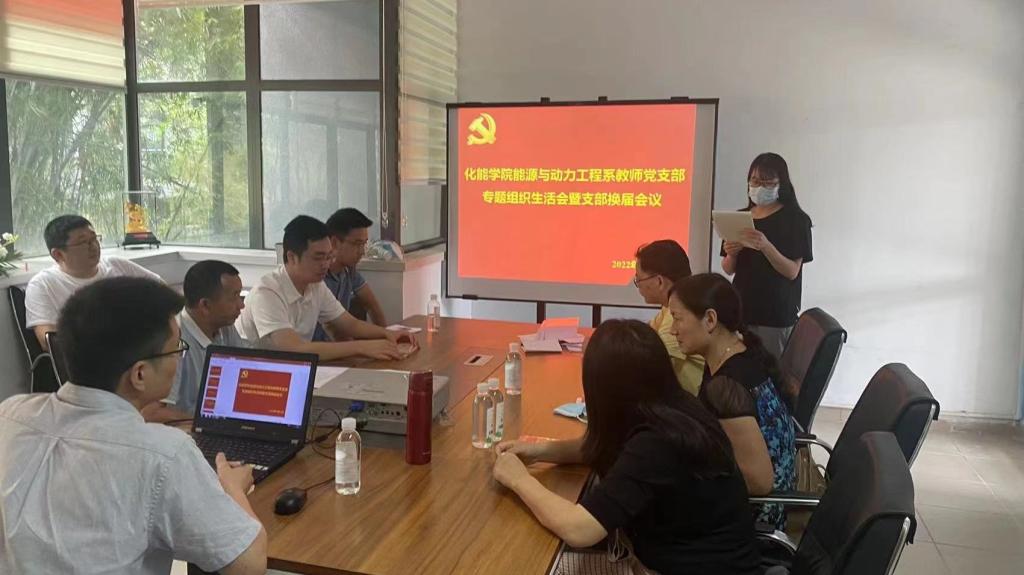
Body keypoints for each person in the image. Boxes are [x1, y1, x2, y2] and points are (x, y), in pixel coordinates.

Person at [0, 277, 267, 574]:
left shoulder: (10, 415)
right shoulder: (163, 452)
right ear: (140, 374)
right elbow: (248, 565)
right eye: (176, 349)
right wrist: (232, 487)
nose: (179, 359)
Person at [493, 320, 762, 575]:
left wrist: (519, 480)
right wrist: (541, 451)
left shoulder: (656, 444)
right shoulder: (673, 407)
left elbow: (579, 529)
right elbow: (605, 447)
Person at [668, 272, 796, 530]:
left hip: (752, 524)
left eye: (678, 318)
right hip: (752, 508)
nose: (672, 329)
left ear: (710, 319)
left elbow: (759, 482)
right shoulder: (739, 353)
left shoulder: (726, 386)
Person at [236, 215, 414, 361]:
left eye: (329, 257)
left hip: (295, 369)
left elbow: (349, 324)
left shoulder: (316, 285)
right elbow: (293, 349)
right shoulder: (267, 292)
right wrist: (362, 347)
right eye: (318, 257)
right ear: (291, 257)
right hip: (256, 376)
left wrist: (387, 334)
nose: (325, 265)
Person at [721, 153, 813, 358]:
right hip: (741, 311)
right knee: (740, 369)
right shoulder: (739, 218)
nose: (759, 187)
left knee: (771, 370)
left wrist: (765, 246)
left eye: (767, 182)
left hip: (775, 316)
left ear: (781, 184)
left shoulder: (796, 220)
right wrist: (731, 255)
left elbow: (792, 271)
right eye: (755, 181)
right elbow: (728, 269)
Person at [24, 214, 162, 350]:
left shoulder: (117, 265)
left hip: (140, 349)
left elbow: (162, 292)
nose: (94, 246)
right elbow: (48, 342)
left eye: (94, 238)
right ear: (58, 254)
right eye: (83, 242)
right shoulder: (43, 284)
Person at [142, 260, 248, 424]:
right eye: (234, 298)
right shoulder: (173, 343)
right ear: (205, 305)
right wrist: (210, 422)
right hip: (186, 430)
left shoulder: (225, 326)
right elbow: (151, 413)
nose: (241, 305)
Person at [634, 239, 705, 395]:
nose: (638, 286)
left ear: (659, 281)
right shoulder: (671, 306)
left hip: (693, 405)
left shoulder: (680, 314)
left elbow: (650, 368)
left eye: (638, 279)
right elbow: (642, 336)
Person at [312, 208, 388, 341]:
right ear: (334, 243)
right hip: (317, 350)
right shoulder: (317, 276)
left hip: (339, 349)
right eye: (357, 244)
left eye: (364, 244)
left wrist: (386, 337)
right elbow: (334, 330)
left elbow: (372, 305)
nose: (362, 252)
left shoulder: (349, 271)